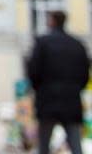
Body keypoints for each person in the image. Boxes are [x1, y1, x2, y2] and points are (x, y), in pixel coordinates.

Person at [27, 10, 90, 154]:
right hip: (71, 101)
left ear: (52, 21)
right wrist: (74, 89)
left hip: (48, 100)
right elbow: (85, 75)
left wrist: (40, 89)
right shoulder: (77, 45)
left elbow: (33, 71)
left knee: (44, 145)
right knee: (75, 145)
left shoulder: (43, 43)